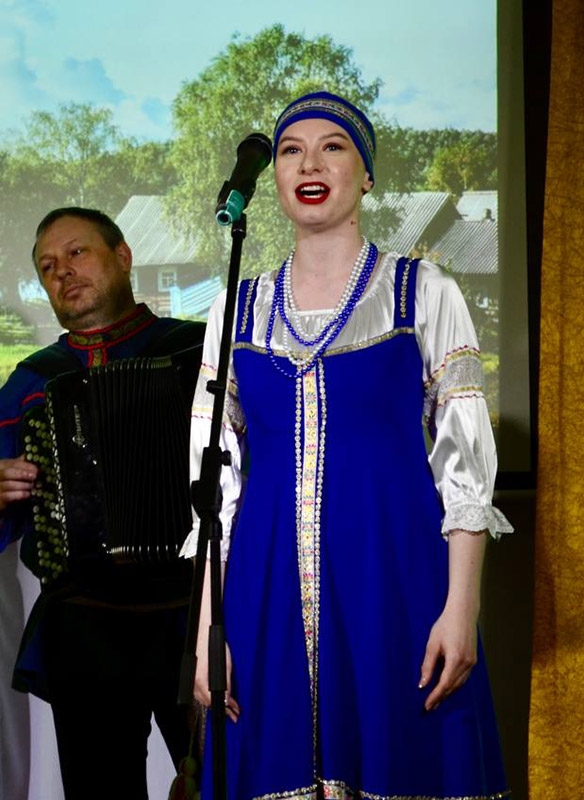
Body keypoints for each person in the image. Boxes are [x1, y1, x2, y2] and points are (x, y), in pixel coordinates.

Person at [189, 91, 511, 799]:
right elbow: (216, 491)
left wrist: (462, 609)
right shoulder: (235, 309)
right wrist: (210, 628)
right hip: (264, 586)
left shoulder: (422, 291)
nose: (309, 164)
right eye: (290, 151)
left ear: (365, 175)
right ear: (275, 178)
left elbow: (465, 471)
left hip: (393, 576)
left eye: (332, 147)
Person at [0, 207, 204, 799]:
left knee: (224, 784)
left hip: (198, 617)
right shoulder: (36, 380)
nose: (62, 271)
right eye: (46, 267)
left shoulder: (201, 349)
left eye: (77, 253)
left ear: (123, 256)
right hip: (87, 631)